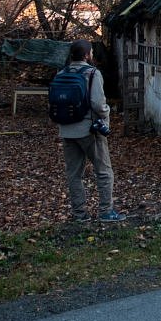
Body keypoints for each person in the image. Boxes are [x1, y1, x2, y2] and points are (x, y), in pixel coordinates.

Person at [58, 40, 124, 222]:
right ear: (87, 55)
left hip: (66, 130)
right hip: (89, 130)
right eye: (92, 52)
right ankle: (106, 211)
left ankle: (79, 213)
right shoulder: (92, 74)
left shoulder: (62, 72)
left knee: (74, 174)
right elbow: (97, 103)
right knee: (103, 171)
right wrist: (107, 113)